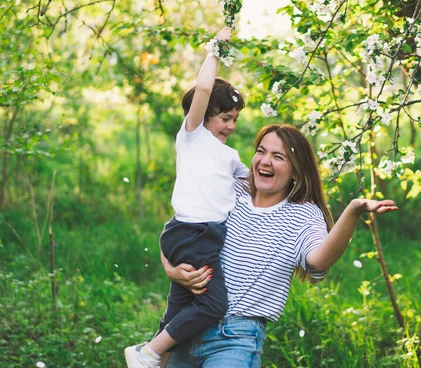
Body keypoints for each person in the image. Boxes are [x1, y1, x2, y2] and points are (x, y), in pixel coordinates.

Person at [162, 124, 398, 367]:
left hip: (233, 338)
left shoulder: (303, 215)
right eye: (261, 151)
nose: (265, 161)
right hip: (184, 326)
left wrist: (352, 211)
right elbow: (178, 229)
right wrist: (171, 269)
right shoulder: (230, 190)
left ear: (296, 171)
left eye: (278, 157)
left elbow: (318, 260)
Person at [125, 26, 248, 368]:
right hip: (193, 232)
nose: (231, 125)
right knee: (212, 305)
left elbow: (255, 186)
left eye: (235, 119)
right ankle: (146, 353)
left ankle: (155, 359)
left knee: (180, 309)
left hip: (203, 235)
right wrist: (217, 47)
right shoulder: (193, 137)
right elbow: (205, 86)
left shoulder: (230, 155)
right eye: (225, 118)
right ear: (204, 113)